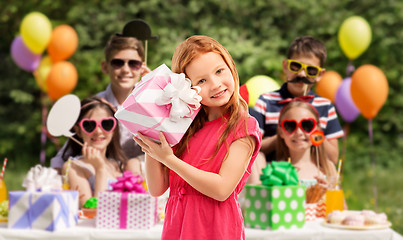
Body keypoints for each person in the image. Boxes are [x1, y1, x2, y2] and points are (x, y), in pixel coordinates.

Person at [134, 35, 262, 240]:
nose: (215, 84)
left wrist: (168, 159)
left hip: (216, 229)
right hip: (178, 228)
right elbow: (157, 188)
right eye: (201, 80)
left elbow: (222, 189)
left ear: (231, 67)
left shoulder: (243, 126)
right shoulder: (183, 127)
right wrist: (154, 128)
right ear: (186, 88)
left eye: (220, 71)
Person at [51, 34, 151, 176]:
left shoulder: (151, 101)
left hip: (142, 176)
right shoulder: (95, 106)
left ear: (142, 67)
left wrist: (155, 89)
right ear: (105, 67)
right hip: (106, 174)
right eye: (118, 63)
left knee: (133, 165)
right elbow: (66, 152)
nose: (126, 70)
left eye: (134, 64)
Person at [251, 36, 344, 167]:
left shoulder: (325, 106)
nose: (302, 74)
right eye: (295, 66)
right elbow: (252, 150)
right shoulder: (266, 102)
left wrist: (313, 132)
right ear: (285, 66)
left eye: (311, 70)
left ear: (320, 75)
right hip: (273, 178)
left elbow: (333, 158)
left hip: (312, 179)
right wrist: (285, 132)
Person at [61, 97, 127, 207]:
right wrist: (100, 169)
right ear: (78, 130)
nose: (98, 131)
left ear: (114, 129)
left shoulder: (119, 165)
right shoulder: (73, 167)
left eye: (106, 124)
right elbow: (92, 212)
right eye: (89, 125)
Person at [276, 98, 337, 183]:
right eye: (290, 126)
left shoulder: (328, 167)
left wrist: (328, 192)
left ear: (317, 129)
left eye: (307, 125)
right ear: (281, 131)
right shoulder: (276, 171)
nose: (299, 132)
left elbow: (338, 195)